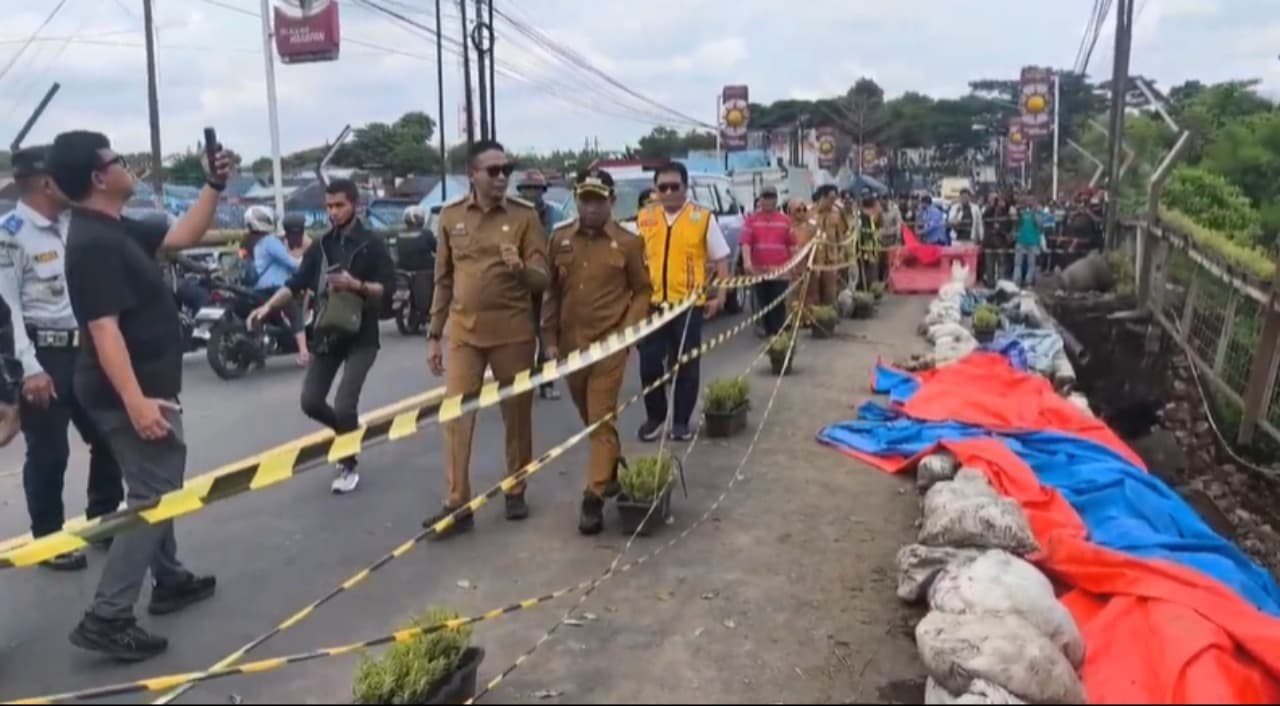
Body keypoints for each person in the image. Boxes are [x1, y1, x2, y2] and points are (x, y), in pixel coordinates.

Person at [51, 129, 229, 661]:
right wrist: (135, 401)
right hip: (124, 392)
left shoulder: (117, 227)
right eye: (118, 160)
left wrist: (214, 183)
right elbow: (104, 330)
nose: (129, 166)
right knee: (152, 494)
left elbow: (183, 236)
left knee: (157, 484)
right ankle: (108, 616)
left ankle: (169, 577)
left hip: (144, 385)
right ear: (99, 177)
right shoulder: (93, 244)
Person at [0, 145, 124, 572]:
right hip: (44, 355)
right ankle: (48, 540)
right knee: (50, 452)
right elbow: (7, 308)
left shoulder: (74, 224)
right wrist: (29, 368)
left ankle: (102, 519)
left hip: (86, 349)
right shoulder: (10, 233)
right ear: (48, 182)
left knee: (109, 435)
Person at [423, 140, 549, 537]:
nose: (501, 177)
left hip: (512, 332)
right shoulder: (451, 216)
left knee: (516, 415)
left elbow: (543, 278)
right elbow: (443, 279)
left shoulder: (525, 218)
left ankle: (515, 488)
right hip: (464, 334)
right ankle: (457, 502)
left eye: (505, 169)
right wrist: (433, 334)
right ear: (472, 175)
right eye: (492, 170)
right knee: (456, 416)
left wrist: (519, 269)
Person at [248, 180, 393, 495]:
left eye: (339, 205)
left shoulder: (371, 243)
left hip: (362, 335)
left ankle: (347, 461)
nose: (333, 212)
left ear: (354, 205)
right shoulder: (322, 245)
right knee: (311, 401)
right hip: (328, 333)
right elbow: (297, 282)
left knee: (344, 402)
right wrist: (267, 306)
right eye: (329, 206)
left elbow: (388, 289)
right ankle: (349, 431)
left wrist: (357, 286)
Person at [542, 169, 650, 534]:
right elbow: (552, 294)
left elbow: (643, 291)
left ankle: (593, 497)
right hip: (571, 347)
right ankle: (611, 471)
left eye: (598, 200)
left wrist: (625, 335)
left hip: (609, 347)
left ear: (611, 201)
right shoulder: (559, 240)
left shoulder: (629, 243)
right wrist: (550, 340)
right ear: (576, 199)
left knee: (602, 418)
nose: (590, 208)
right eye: (584, 200)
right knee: (591, 419)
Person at [634, 161, 730, 442]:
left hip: (688, 305)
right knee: (649, 365)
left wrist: (720, 296)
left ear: (685, 188)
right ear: (655, 189)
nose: (668, 192)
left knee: (686, 365)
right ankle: (655, 417)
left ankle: (680, 422)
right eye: (662, 187)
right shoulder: (645, 218)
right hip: (653, 306)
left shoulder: (702, 218)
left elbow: (721, 259)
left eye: (674, 186)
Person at [515, 170, 562, 401]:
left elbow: (560, 242)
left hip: (546, 280)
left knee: (547, 334)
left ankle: (547, 383)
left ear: (542, 192)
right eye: (526, 189)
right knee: (521, 337)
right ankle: (523, 383)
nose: (530, 194)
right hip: (519, 283)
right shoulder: (510, 214)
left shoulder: (554, 214)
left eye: (535, 189)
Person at [243, 205, 310, 366]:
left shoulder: (248, 242)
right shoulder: (269, 241)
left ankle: (258, 355)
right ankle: (304, 353)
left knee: (269, 318)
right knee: (295, 313)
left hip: (257, 289)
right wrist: (306, 262)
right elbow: (290, 262)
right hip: (276, 287)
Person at [739, 185, 795, 337]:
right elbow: (745, 243)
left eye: (771, 198)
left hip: (781, 272)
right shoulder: (751, 220)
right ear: (760, 200)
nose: (768, 201)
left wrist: (795, 265)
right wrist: (747, 262)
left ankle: (778, 334)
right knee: (762, 302)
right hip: (759, 271)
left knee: (778, 303)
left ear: (776, 200)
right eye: (765, 197)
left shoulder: (785, 221)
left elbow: (792, 245)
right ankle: (766, 330)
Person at [811, 184, 848, 306]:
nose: (833, 201)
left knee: (830, 289)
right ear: (822, 197)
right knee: (814, 289)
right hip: (814, 258)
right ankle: (816, 316)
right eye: (831, 198)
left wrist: (842, 253)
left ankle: (830, 315)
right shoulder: (809, 212)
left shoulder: (838, 213)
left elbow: (841, 236)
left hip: (831, 258)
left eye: (835, 198)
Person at [1013, 197, 1046, 287]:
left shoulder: (1039, 212)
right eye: (1028, 201)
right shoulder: (1022, 212)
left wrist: (1034, 211)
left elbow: (1039, 224)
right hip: (1021, 241)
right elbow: (1017, 224)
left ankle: (1028, 281)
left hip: (1033, 242)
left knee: (1031, 264)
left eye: (1032, 201)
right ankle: (1017, 281)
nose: (1029, 203)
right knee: (1017, 263)